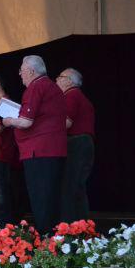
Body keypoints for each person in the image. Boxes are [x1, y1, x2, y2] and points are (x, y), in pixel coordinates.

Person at [3, 55, 67, 233]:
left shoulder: (36, 87)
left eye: (22, 70)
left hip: (39, 152)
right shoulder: (52, 87)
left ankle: (46, 239)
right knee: (51, 199)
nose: (20, 74)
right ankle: (55, 238)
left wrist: (9, 120)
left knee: (41, 199)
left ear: (31, 71)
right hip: (52, 151)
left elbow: (26, 122)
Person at [56, 68, 95, 222]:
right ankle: (81, 227)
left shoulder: (71, 95)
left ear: (69, 81)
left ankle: (71, 227)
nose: (56, 79)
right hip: (83, 143)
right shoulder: (78, 96)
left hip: (76, 143)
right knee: (77, 187)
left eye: (60, 76)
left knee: (69, 188)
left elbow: (65, 123)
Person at [0, 78, 18, 224]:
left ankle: (5, 224)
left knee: (0, 190)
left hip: (1, 152)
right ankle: (4, 223)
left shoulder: (5, 102)